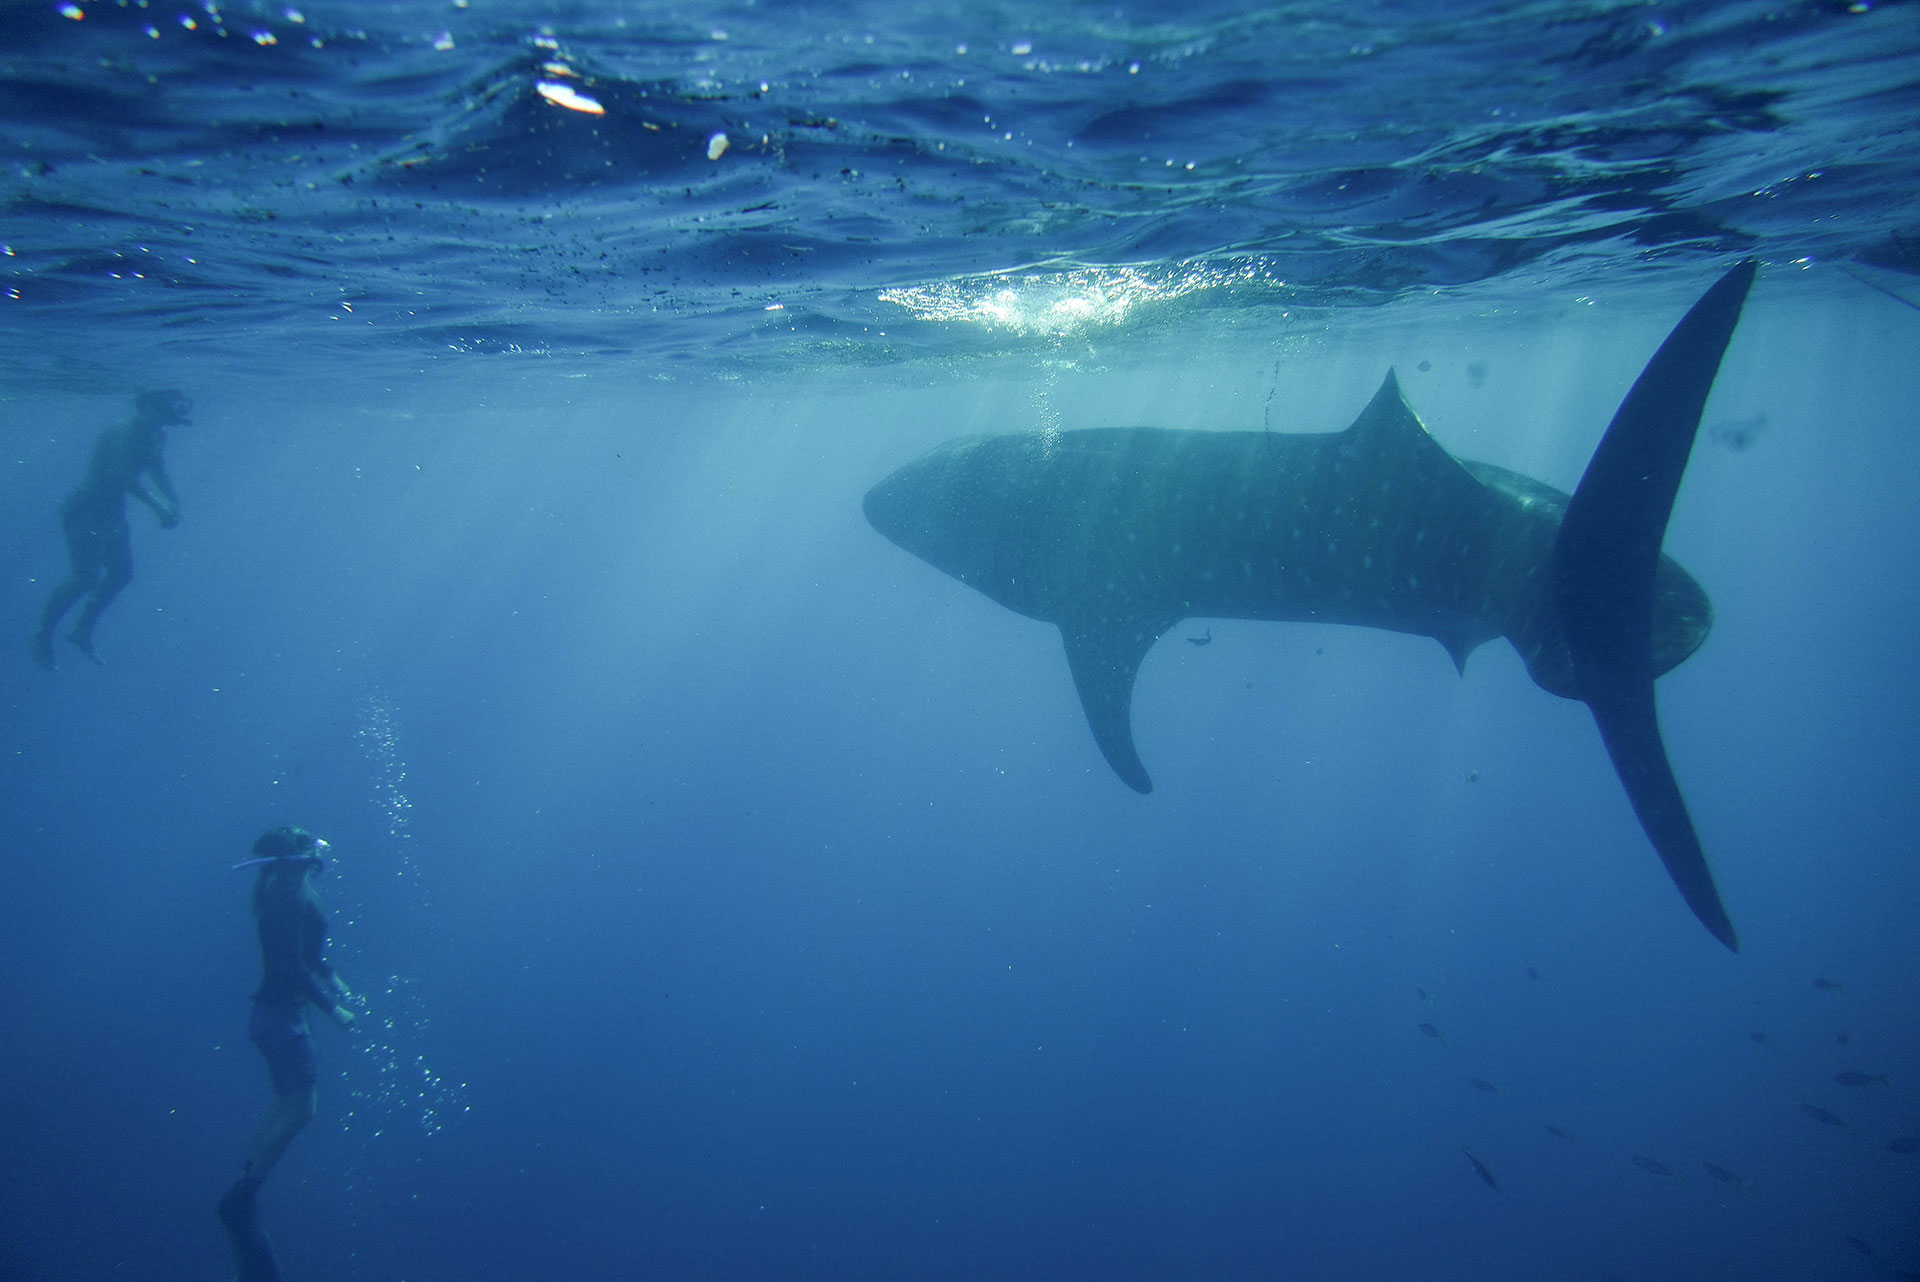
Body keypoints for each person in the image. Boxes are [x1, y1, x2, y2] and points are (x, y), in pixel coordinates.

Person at [218, 827, 359, 1282]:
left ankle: (245, 1183)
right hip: (282, 1018)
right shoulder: (286, 897)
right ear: (290, 861)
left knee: (288, 1103)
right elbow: (287, 965)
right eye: (304, 850)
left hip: (276, 1015)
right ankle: (247, 1188)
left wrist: (330, 975)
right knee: (302, 1109)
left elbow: (305, 952)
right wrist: (331, 1008)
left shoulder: (294, 891)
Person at [31, 387, 189, 668]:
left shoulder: (156, 436)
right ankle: (43, 634)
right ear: (150, 403)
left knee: (121, 574)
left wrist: (174, 503)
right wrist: (158, 506)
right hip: (86, 510)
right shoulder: (124, 430)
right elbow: (120, 474)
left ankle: (82, 631)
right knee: (85, 577)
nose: (171, 411)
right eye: (167, 405)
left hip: (112, 512)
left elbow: (158, 471)